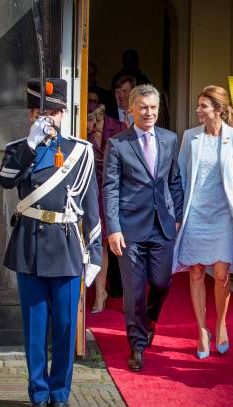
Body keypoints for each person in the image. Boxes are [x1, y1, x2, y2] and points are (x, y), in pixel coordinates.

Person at [0, 78, 102, 407]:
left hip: (67, 247)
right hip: (30, 247)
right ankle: (38, 396)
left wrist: (96, 254)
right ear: (31, 114)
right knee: (35, 328)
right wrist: (30, 144)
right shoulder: (19, 148)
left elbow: (91, 205)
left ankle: (60, 394)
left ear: (64, 113)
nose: (50, 119)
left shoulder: (81, 151)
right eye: (42, 112)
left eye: (55, 112)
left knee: (65, 327)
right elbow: (6, 179)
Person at [104, 84, 184, 372]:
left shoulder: (170, 139)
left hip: (162, 226)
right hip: (129, 229)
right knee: (134, 290)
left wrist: (176, 215)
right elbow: (110, 188)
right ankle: (137, 345)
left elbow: (175, 179)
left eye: (153, 108)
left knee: (162, 283)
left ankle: (149, 317)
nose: (149, 113)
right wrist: (113, 228)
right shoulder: (118, 143)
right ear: (132, 110)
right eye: (144, 108)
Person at [173, 85, 233, 359]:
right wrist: (177, 215)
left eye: (203, 106)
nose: (198, 111)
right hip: (195, 214)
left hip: (223, 216)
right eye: (198, 106)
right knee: (196, 273)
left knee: (221, 275)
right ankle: (201, 332)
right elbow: (181, 178)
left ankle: (220, 326)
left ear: (218, 110)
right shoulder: (190, 137)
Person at [87, 92, 127, 313]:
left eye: (94, 120)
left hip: (116, 194)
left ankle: (130, 293)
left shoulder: (119, 128)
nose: (92, 125)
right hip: (93, 193)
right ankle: (100, 294)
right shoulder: (84, 133)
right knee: (100, 244)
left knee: (122, 245)